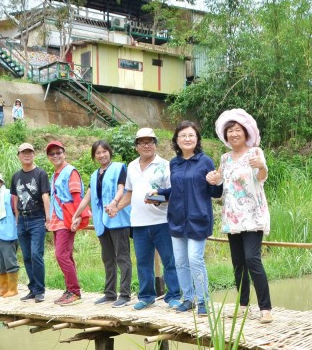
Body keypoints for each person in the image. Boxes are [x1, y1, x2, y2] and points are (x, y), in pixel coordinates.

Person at [208, 109, 273, 323]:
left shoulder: (255, 153)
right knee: (238, 262)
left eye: (237, 130)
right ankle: (243, 305)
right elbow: (219, 179)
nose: (234, 134)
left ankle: (266, 308)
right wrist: (212, 177)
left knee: (252, 259)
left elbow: (262, 177)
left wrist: (261, 166)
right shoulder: (225, 158)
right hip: (232, 215)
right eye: (230, 131)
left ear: (245, 133)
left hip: (253, 214)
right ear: (226, 136)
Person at [154, 121, 222, 315]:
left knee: (195, 259)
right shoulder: (174, 163)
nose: (187, 138)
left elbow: (214, 192)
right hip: (177, 218)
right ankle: (189, 298)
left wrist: (218, 182)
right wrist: (157, 195)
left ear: (197, 139)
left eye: (191, 135)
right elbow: (175, 191)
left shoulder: (205, 161)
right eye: (183, 135)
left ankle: (202, 301)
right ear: (176, 139)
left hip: (198, 219)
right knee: (181, 262)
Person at [116, 128, 181, 310]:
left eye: (150, 141)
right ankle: (146, 296)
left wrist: (157, 198)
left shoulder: (165, 165)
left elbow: (173, 193)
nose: (147, 145)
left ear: (155, 144)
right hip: (138, 224)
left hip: (162, 222)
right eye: (142, 142)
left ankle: (174, 295)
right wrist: (116, 207)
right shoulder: (131, 166)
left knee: (170, 261)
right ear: (136, 146)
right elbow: (130, 192)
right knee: (143, 262)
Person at [72, 140, 132, 307]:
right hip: (101, 221)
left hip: (117, 219)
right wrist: (76, 215)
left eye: (104, 151)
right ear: (94, 156)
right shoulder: (94, 175)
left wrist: (114, 202)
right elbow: (87, 197)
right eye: (98, 153)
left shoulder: (119, 168)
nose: (101, 155)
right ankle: (110, 293)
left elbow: (121, 188)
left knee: (122, 257)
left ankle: (125, 295)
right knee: (107, 258)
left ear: (109, 152)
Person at [45, 140, 87, 305]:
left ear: (64, 153)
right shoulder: (55, 174)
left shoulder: (70, 171)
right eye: (52, 153)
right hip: (57, 219)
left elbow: (76, 196)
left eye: (58, 152)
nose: (56, 156)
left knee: (61, 255)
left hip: (67, 218)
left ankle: (74, 292)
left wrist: (77, 216)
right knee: (65, 255)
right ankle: (70, 289)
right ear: (48, 157)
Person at [11, 142, 50, 303]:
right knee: (26, 256)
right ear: (19, 156)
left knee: (36, 254)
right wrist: (16, 217)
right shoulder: (16, 176)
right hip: (22, 220)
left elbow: (45, 196)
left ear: (34, 154)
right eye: (23, 152)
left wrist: (48, 217)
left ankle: (40, 290)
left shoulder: (40, 173)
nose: (26, 155)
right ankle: (33, 289)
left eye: (29, 152)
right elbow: (15, 197)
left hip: (37, 218)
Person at [0, 171, 20, 298]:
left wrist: (17, 226)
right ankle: (3, 288)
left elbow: (16, 210)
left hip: (8, 231)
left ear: (1, 181)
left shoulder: (8, 194)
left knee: (10, 260)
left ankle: (13, 289)